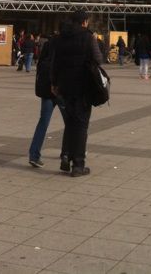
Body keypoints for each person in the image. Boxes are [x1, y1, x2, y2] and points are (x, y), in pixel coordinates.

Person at [51, 10, 102, 177]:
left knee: (71, 123)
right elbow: (98, 59)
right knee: (81, 125)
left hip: (65, 86)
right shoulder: (88, 37)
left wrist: (54, 83)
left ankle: (66, 157)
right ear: (84, 22)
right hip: (83, 87)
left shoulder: (61, 38)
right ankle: (78, 164)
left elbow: (55, 62)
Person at [28, 33, 68, 168]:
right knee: (70, 124)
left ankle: (34, 154)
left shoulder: (47, 46)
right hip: (61, 92)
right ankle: (66, 153)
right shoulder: (65, 47)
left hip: (46, 92)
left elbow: (39, 67)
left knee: (43, 122)